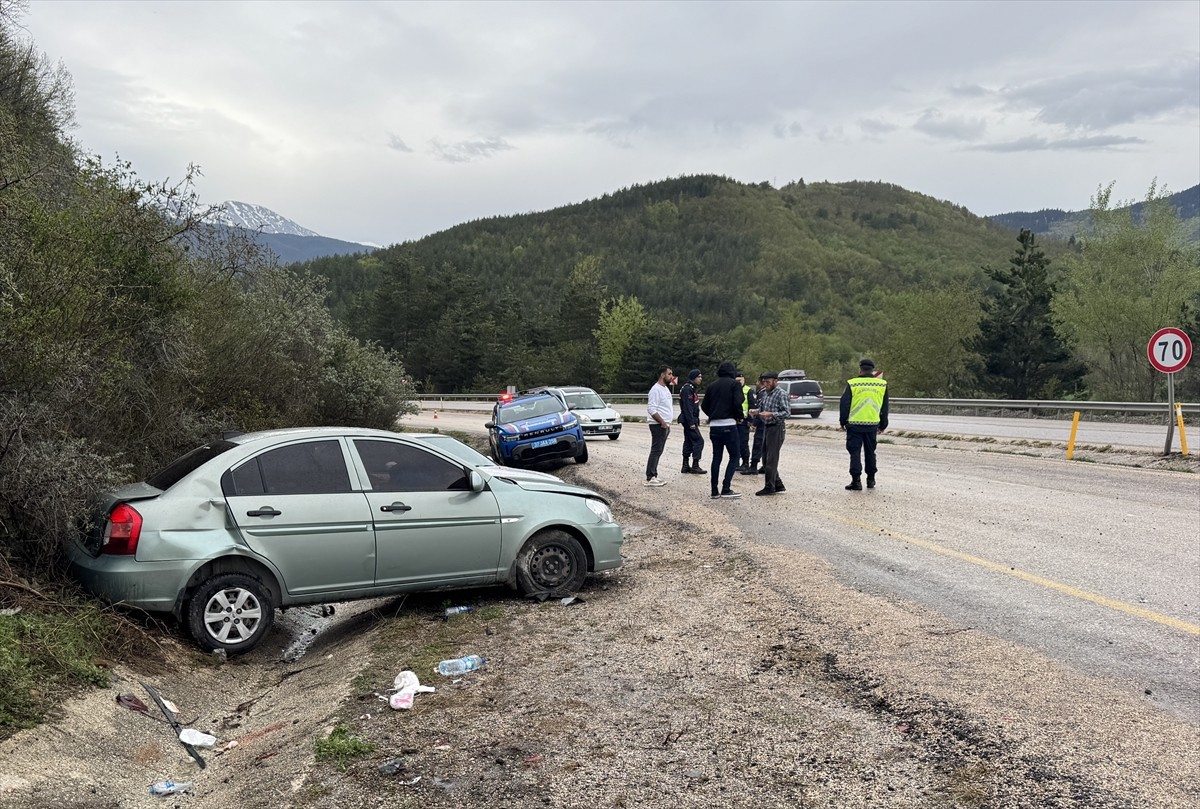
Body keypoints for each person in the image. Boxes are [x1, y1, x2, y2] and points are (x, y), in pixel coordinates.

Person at [839, 358, 889, 490]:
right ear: (872, 369)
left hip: (854, 424)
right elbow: (884, 407)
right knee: (870, 452)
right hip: (872, 424)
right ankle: (871, 480)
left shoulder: (853, 383)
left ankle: (856, 481)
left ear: (860, 369)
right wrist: (883, 424)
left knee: (854, 452)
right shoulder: (882, 384)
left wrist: (843, 421)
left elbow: (845, 404)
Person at [699, 361, 745, 499]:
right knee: (734, 456)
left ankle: (714, 491)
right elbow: (738, 402)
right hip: (729, 424)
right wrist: (739, 416)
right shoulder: (734, 384)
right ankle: (726, 488)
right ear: (732, 372)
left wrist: (713, 414)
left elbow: (704, 406)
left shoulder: (712, 386)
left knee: (717, 457)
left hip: (714, 426)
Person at [752, 370, 790, 496]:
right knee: (764, 458)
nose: (766, 384)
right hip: (766, 427)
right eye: (764, 382)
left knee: (771, 459)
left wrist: (772, 414)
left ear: (775, 381)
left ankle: (770, 486)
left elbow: (787, 412)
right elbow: (763, 409)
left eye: (768, 382)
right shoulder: (764, 393)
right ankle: (778, 484)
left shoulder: (781, 394)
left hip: (777, 428)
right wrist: (756, 412)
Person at [645, 366, 674, 486]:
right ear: (662, 375)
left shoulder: (665, 389)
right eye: (669, 374)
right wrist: (662, 422)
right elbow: (651, 408)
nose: (671, 376)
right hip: (658, 425)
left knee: (659, 451)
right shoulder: (655, 389)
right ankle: (650, 476)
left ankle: (654, 474)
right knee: (656, 450)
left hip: (665, 425)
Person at [679, 369, 705, 474]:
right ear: (693, 377)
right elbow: (688, 408)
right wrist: (691, 423)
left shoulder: (691, 389)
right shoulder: (687, 389)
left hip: (689, 420)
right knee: (699, 441)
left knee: (689, 441)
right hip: (689, 420)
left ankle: (685, 465)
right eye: (699, 377)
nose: (700, 379)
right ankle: (695, 465)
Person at [742, 373, 767, 475]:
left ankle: (753, 467)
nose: (756, 384)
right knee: (765, 445)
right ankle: (765, 465)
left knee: (758, 444)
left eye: (757, 382)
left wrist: (755, 421)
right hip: (765, 422)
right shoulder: (764, 393)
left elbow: (762, 409)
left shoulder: (762, 393)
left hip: (762, 423)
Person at [736, 371, 754, 472]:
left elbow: (752, 406)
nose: (739, 382)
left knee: (743, 443)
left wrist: (750, 420)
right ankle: (736, 462)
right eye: (737, 380)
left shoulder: (748, 391)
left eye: (740, 380)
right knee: (734, 442)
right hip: (734, 421)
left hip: (744, 421)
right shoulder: (732, 390)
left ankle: (745, 462)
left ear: (744, 380)